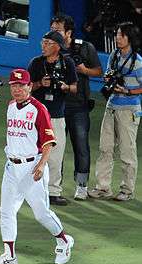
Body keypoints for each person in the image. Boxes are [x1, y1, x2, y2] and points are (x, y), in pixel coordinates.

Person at [0, 69, 74, 264]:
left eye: (21, 85)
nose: (17, 89)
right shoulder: (10, 106)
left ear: (29, 86)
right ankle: (9, 255)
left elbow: (48, 141)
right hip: (11, 167)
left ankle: (63, 240)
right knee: (7, 210)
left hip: (32, 167)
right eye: (13, 85)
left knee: (41, 212)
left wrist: (42, 164)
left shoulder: (38, 109)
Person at [89, 22, 142, 201]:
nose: (118, 37)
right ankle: (103, 187)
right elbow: (109, 75)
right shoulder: (114, 55)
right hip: (111, 106)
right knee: (105, 148)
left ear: (130, 38)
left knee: (127, 151)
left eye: (122, 35)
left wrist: (127, 91)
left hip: (129, 109)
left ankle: (127, 190)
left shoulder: (138, 62)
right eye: (117, 34)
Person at [51, 14, 102, 200]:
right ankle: (54, 186)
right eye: (52, 29)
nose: (53, 34)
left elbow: (98, 71)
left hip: (79, 106)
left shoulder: (85, 48)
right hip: (56, 106)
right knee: (55, 149)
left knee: (81, 147)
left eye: (57, 30)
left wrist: (84, 70)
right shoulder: (51, 49)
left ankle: (81, 185)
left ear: (68, 32)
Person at [28, 31, 77, 206]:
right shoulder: (36, 63)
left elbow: (74, 88)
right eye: (43, 42)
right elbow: (26, 87)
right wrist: (41, 83)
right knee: (32, 153)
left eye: (47, 43)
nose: (43, 46)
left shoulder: (67, 63)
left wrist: (64, 86)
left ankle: (53, 191)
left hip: (56, 115)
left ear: (57, 46)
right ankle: (30, 188)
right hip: (36, 117)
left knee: (56, 155)